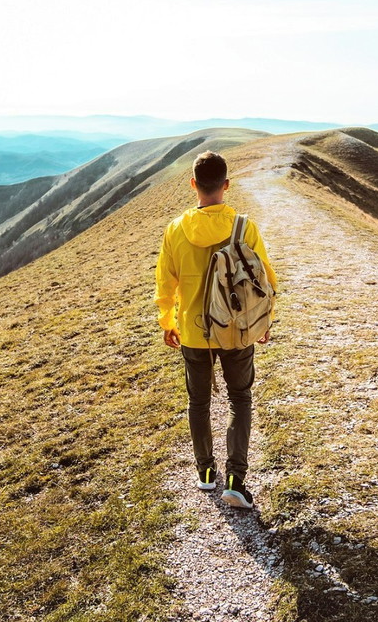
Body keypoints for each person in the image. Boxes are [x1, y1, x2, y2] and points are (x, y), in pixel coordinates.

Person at [155, 150, 278, 510]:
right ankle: (236, 480)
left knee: (199, 401)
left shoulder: (175, 229)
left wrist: (168, 322)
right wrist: (264, 321)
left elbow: (166, 284)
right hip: (237, 330)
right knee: (240, 399)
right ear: (226, 185)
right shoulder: (245, 227)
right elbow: (265, 279)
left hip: (193, 332)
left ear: (193, 184)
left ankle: (205, 474)